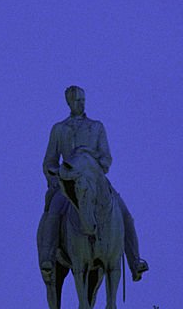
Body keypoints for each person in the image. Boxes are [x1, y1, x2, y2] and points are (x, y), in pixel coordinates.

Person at [37, 85, 148, 283]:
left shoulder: (96, 127)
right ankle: (47, 257)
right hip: (69, 183)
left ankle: (135, 262)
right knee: (53, 212)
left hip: (96, 182)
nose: (81, 104)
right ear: (69, 102)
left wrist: (96, 169)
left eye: (83, 100)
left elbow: (106, 157)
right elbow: (50, 161)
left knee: (125, 214)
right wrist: (55, 179)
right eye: (77, 100)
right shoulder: (59, 129)